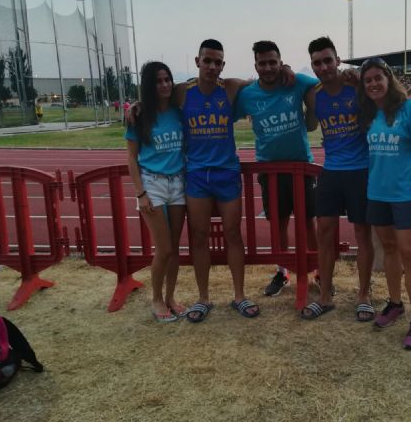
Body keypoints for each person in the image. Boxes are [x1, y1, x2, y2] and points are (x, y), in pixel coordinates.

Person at [177, 39, 259, 321]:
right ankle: (203, 298)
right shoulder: (181, 92)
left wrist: (284, 71)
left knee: (233, 234)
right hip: (197, 175)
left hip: (226, 173)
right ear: (197, 61)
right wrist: (136, 105)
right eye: (207, 61)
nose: (212, 66)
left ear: (223, 65)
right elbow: (154, 101)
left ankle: (239, 295)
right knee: (198, 237)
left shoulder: (231, 88)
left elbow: (260, 81)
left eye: (218, 62)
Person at [234, 40, 319, 297]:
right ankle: (282, 273)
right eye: (263, 63)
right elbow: (223, 106)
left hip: (301, 166)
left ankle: (318, 273)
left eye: (273, 62)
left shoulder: (298, 81)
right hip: (270, 169)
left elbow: (322, 84)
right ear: (256, 66)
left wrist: (291, 71)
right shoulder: (248, 94)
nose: (268, 67)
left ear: (281, 62)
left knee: (308, 223)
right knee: (278, 224)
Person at [358, 58, 411, 350]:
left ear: (389, 78)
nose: (374, 84)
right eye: (367, 80)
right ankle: (395, 303)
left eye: (378, 78)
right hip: (377, 194)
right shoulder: (369, 114)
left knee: (409, 256)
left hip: (405, 196)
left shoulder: (410, 109)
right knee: (388, 250)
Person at [300, 36, 374, 321]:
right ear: (313, 66)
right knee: (324, 234)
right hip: (331, 170)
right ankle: (326, 296)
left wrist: (360, 86)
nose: (323, 67)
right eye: (317, 63)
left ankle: (364, 295)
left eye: (328, 60)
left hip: (361, 170)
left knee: (362, 235)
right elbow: (309, 125)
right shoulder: (314, 95)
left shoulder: (356, 87)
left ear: (338, 60)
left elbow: (379, 111)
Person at [125, 61, 186, 322]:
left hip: (179, 183)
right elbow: (131, 158)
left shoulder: (178, 111)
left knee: (173, 248)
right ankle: (157, 299)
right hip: (153, 184)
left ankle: (171, 296)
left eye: (168, 79)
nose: (165, 85)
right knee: (162, 249)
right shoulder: (139, 117)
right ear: (149, 86)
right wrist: (141, 193)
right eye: (159, 81)